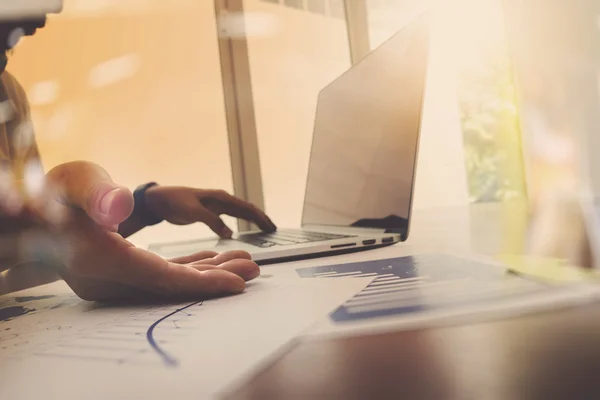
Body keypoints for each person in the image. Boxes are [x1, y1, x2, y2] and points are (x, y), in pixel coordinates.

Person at [0, 10, 276, 300]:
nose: (49, 13)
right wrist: (47, 220)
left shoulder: (9, 92)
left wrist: (147, 206)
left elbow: (40, 254)